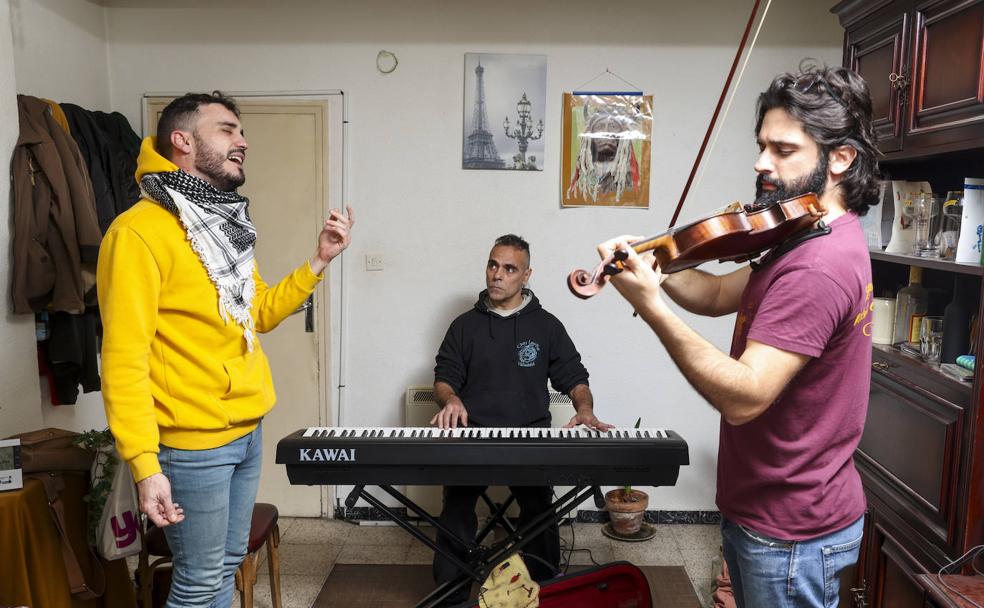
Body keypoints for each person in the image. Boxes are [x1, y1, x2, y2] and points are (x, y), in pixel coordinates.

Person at [596, 63, 880, 608]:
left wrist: (652, 308)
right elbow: (719, 296)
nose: (760, 163)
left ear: (840, 158)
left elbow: (746, 397)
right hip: (775, 511)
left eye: (782, 150)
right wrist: (659, 261)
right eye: (761, 146)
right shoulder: (803, 236)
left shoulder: (817, 266)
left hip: (790, 531)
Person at [97, 91, 354, 607]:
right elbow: (123, 360)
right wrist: (146, 466)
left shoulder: (220, 224)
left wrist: (318, 261)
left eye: (240, 132)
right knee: (196, 581)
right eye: (228, 130)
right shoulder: (137, 233)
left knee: (227, 567)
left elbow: (256, 313)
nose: (242, 142)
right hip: (192, 445)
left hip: (246, 428)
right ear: (183, 140)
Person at [430, 234, 612, 604]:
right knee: (456, 511)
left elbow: (575, 378)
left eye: (509, 268)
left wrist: (585, 409)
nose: (497, 275)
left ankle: (547, 590)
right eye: (493, 265)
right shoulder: (464, 326)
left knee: (540, 513)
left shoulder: (546, 326)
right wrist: (449, 399)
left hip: (529, 438)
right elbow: (444, 377)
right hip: (471, 437)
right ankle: (449, 598)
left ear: (526, 275)